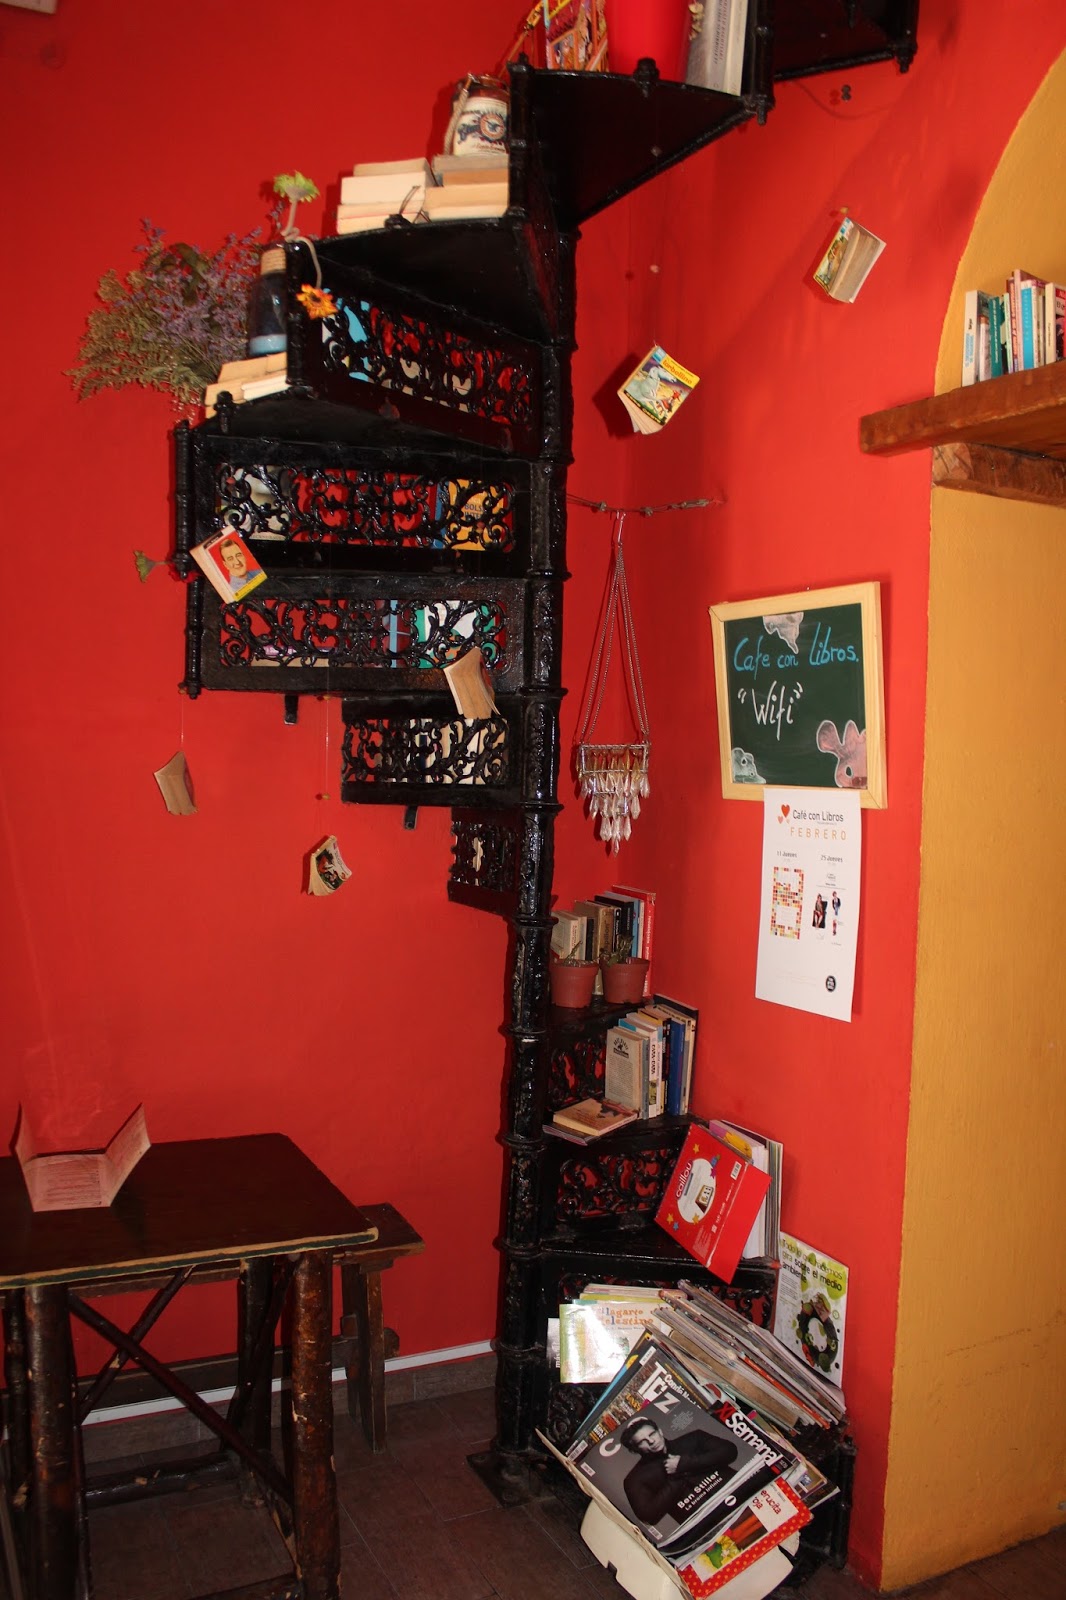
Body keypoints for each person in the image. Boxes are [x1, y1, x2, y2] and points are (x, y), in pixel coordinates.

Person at [618, 1416, 738, 1528]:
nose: (651, 1441)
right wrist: (674, 1478)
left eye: (652, 1434)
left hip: (739, 1493)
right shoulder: (634, 1480)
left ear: (660, 1431)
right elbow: (648, 1517)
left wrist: (684, 1464)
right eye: (642, 1441)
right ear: (634, 1450)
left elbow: (730, 1451)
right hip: (706, 1527)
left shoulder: (694, 1438)